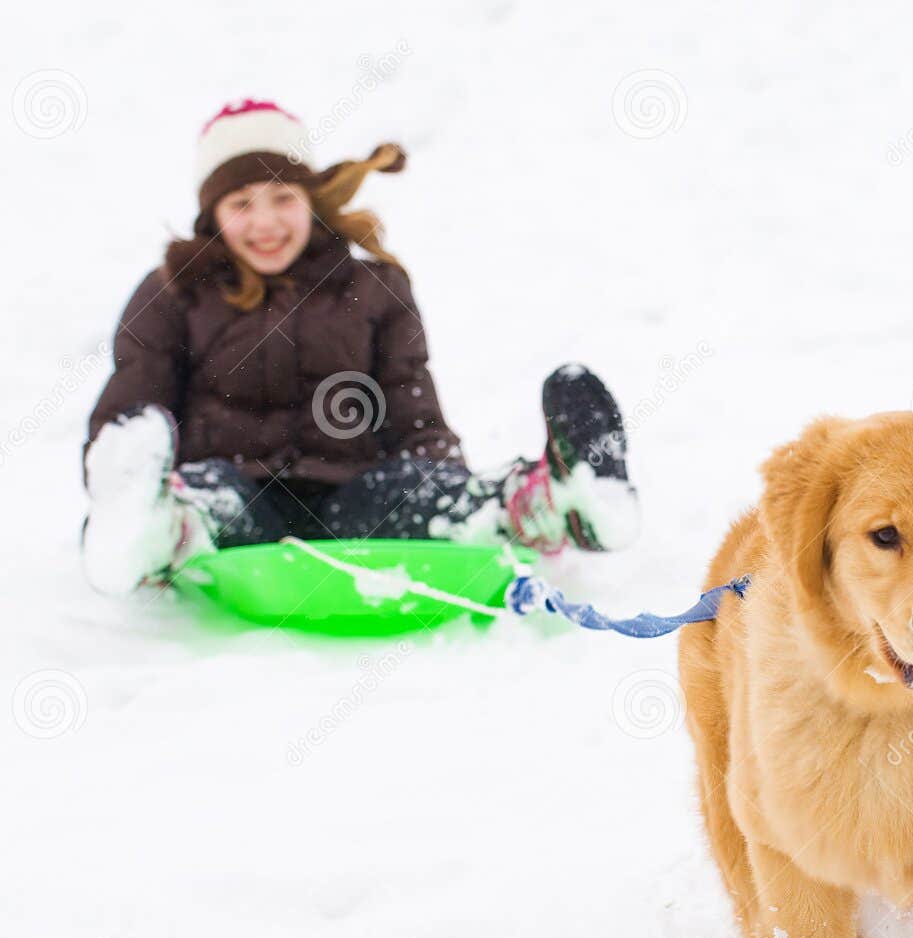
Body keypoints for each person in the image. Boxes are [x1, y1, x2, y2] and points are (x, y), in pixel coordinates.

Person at [82, 98, 639, 595]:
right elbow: (132, 411)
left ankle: (545, 504)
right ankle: (154, 527)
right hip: (236, 492)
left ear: (311, 199)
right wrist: (122, 473)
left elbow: (412, 410)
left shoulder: (373, 288)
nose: (266, 222)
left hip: (350, 495)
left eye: (282, 197)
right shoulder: (173, 293)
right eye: (242, 204)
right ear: (213, 216)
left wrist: (443, 485)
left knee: (410, 492)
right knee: (212, 498)